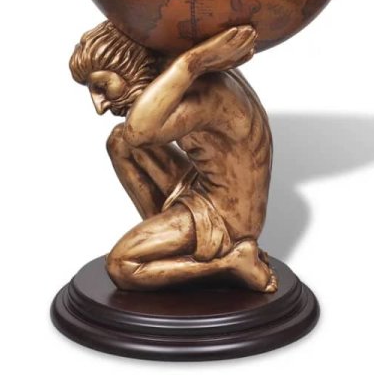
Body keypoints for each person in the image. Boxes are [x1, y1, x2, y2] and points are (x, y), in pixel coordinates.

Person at [69, 21, 277, 292]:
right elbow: (128, 138)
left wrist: (191, 62)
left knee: (121, 265)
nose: (100, 105)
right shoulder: (189, 79)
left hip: (227, 217)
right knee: (119, 143)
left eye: (102, 86)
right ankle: (164, 241)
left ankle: (231, 260)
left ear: (131, 66)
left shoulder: (204, 92)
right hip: (203, 189)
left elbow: (138, 131)